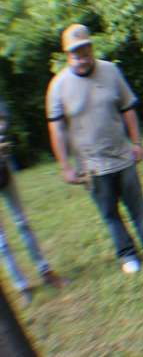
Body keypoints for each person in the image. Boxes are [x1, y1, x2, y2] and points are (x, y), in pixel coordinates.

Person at [46, 24, 143, 274]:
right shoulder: (58, 86)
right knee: (109, 212)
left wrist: (137, 143)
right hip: (91, 166)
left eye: (84, 49)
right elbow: (57, 130)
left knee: (138, 205)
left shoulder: (111, 71)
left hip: (122, 156)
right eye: (75, 52)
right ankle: (127, 254)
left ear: (91, 47)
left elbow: (128, 109)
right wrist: (65, 166)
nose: (81, 56)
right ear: (67, 54)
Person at [0, 99, 67, 306]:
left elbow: (3, 115)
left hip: (2, 170)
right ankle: (22, 286)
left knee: (22, 223)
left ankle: (45, 271)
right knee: (1, 241)